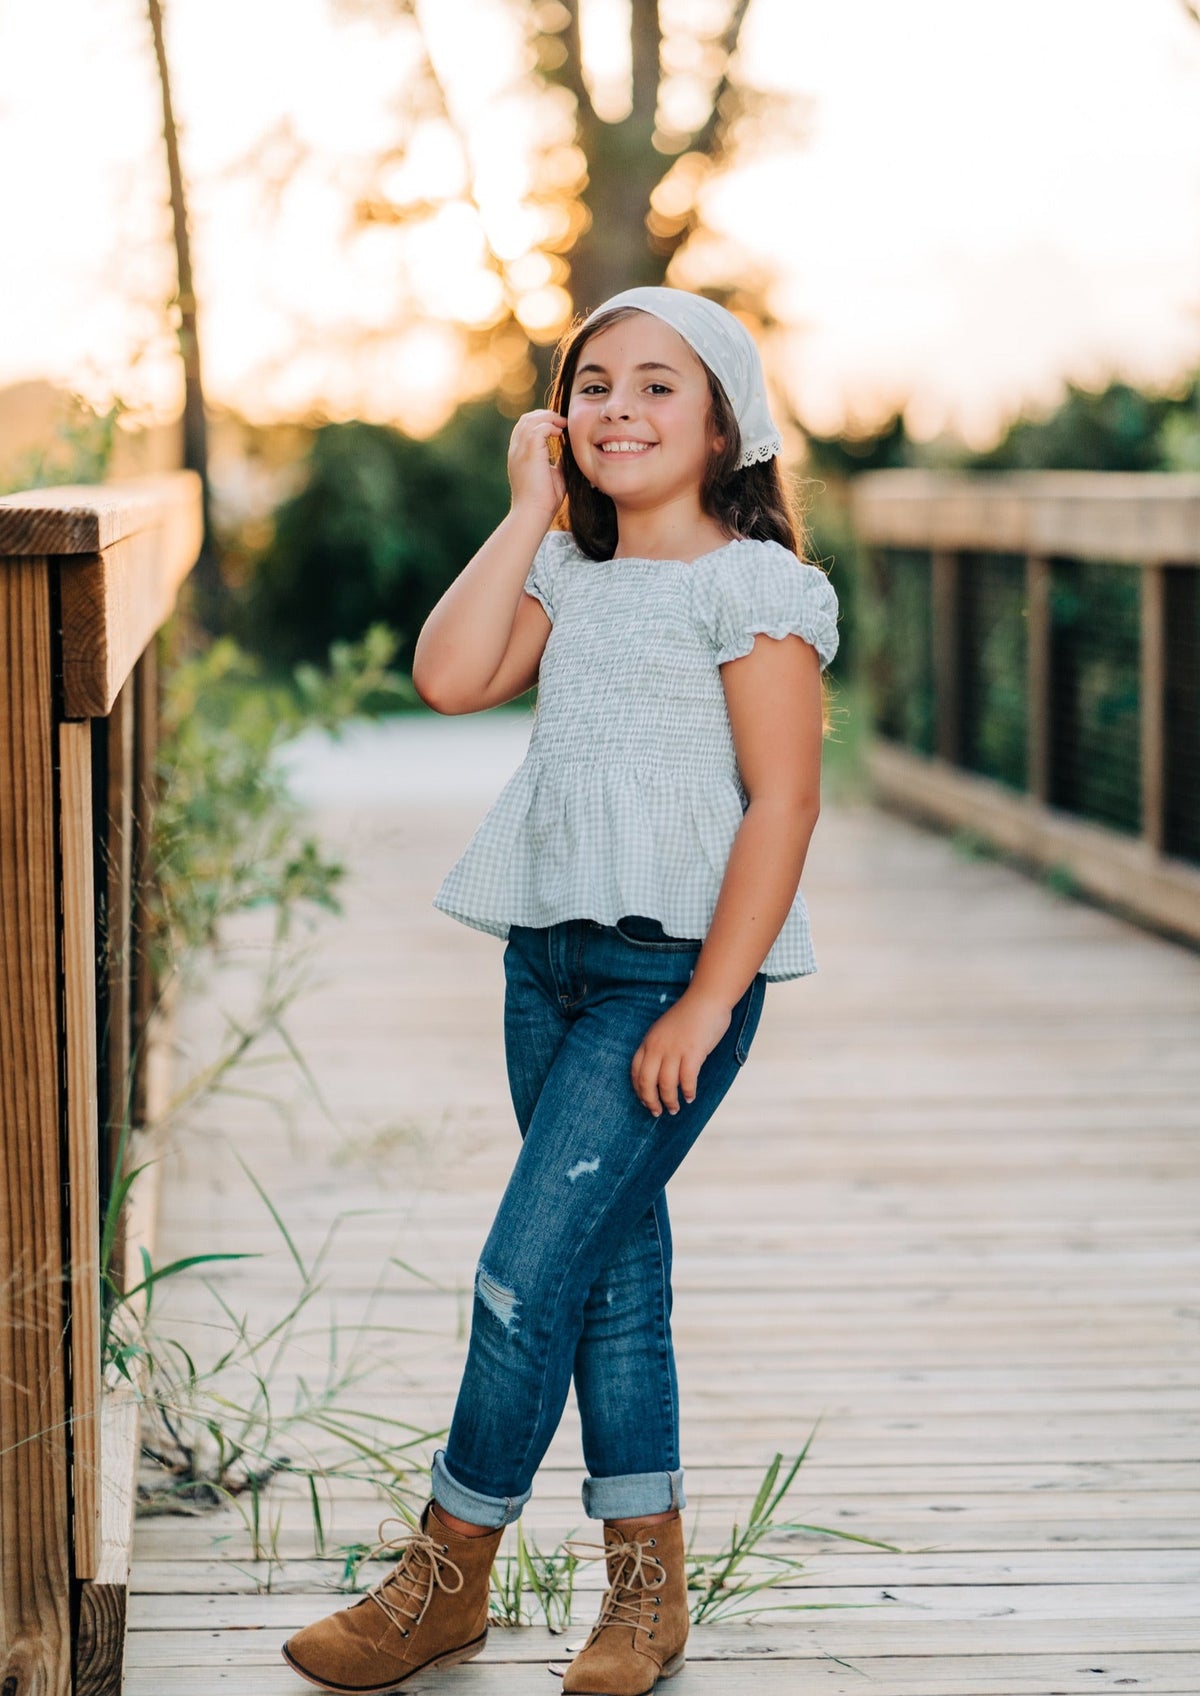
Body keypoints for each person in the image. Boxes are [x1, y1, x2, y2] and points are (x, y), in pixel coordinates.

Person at [282, 285, 840, 1696]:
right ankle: (645, 1601)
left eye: (660, 386)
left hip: (674, 975)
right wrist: (528, 508)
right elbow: (451, 673)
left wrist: (710, 1006)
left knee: (524, 1276)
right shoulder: (570, 577)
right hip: (551, 963)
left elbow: (780, 807)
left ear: (724, 426)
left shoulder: (751, 588)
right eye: (593, 384)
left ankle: (441, 1578)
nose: (619, 410)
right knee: (610, 1278)